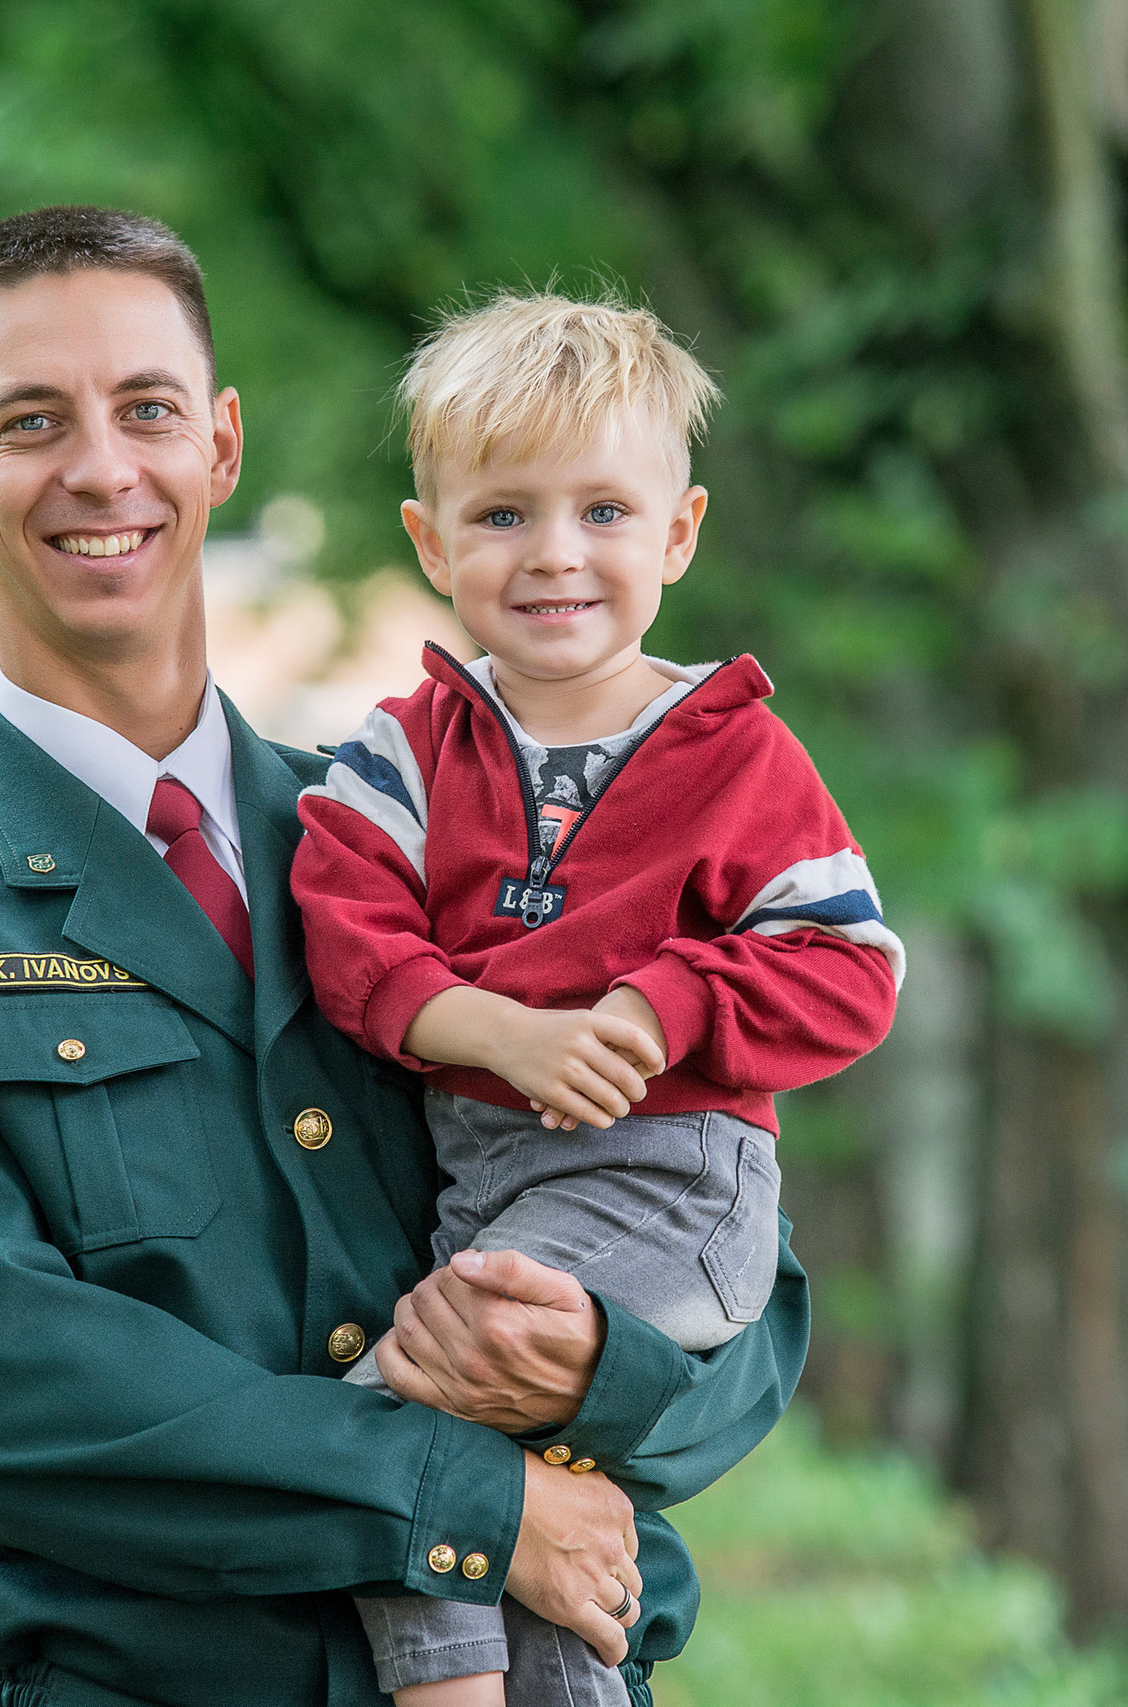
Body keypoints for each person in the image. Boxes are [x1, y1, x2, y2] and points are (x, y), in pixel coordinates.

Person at [0, 209, 808, 1707]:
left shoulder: (437, 842)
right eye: (30, 422)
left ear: (221, 446)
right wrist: (480, 1505)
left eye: (149, 410)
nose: (103, 470)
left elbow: (740, 1275)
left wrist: (590, 1371)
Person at [292, 293, 904, 1707]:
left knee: (403, 1418)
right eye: (503, 516)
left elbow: (855, 971)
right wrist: (503, 1033)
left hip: (667, 1181)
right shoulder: (402, 756)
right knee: (535, 1513)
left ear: (678, 534)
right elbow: (354, 944)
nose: (556, 554)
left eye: (605, 513)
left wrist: (668, 1004)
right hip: (488, 1188)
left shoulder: (738, 754)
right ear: (431, 540)